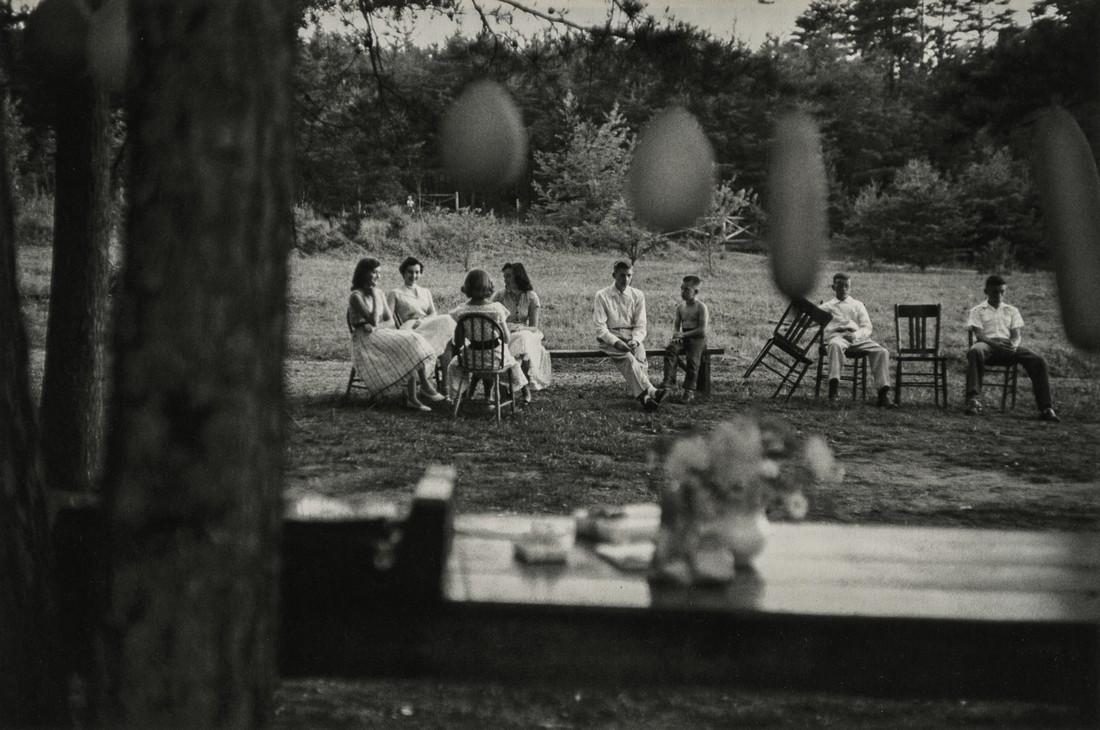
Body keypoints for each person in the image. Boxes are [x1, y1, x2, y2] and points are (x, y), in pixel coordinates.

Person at [347, 257, 446, 412]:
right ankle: (420, 390)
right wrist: (374, 296)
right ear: (364, 273)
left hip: (377, 333)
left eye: (379, 273)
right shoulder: (356, 296)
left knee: (412, 339)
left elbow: (389, 321)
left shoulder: (379, 292)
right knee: (410, 340)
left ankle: (417, 394)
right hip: (364, 340)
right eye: (374, 273)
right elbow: (373, 319)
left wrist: (376, 325)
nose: (378, 276)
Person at [966, 275, 1059, 422]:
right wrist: (995, 344)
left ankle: (1046, 408)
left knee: (1038, 360)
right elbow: (979, 335)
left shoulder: (1012, 310)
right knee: (975, 350)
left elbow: (1016, 335)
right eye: (995, 292)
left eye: (1002, 292)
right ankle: (973, 400)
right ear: (986, 291)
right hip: (987, 345)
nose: (999, 295)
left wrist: (1013, 346)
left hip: (1008, 346)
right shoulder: (977, 310)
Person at [447, 269, 531, 405]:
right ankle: (521, 391)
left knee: (454, 364)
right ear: (489, 286)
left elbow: (458, 341)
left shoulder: (461, 311)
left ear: (467, 287)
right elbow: (506, 338)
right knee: (510, 361)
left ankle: (459, 394)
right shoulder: (496, 309)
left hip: (471, 360)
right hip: (494, 359)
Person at [593, 261, 667, 411]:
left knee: (639, 359)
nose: (625, 279)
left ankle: (645, 399)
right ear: (614, 275)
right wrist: (616, 342)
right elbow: (600, 328)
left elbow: (641, 324)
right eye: (622, 275)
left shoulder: (637, 295)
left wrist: (636, 340)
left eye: (629, 275)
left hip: (631, 335)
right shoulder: (602, 295)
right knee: (627, 358)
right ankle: (652, 391)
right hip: (609, 337)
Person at [820, 272, 896, 408]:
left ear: (850, 287)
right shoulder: (828, 306)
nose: (844, 289)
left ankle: (883, 395)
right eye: (840, 286)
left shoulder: (857, 304)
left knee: (882, 351)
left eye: (847, 286)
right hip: (838, 337)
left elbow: (867, 327)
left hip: (858, 338)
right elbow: (810, 319)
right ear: (833, 287)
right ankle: (833, 391)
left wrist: (855, 335)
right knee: (835, 346)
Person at [492, 262, 552, 393]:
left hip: (526, 334)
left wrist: (520, 328)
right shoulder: (499, 295)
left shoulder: (531, 297)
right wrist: (510, 327)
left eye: (508, 276)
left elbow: (534, 327)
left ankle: (520, 386)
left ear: (518, 277)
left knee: (524, 339)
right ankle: (523, 387)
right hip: (506, 334)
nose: (505, 280)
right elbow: (491, 317)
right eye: (504, 276)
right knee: (522, 347)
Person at [386, 256, 456, 358]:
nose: (414, 275)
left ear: (420, 273)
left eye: (417, 272)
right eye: (410, 272)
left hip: (426, 324)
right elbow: (388, 317)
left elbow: (433, 313)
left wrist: (422, 321)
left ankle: (445, 368)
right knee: (446, 320)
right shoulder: (395, 293)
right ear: (403, 273)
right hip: (410, 329)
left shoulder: (425, 291)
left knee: (446, 326)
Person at [661, 275, 709, 404]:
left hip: (698, 338)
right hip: (684, 337)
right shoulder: (680, 307)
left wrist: (683, 335)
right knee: (671, 349)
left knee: (692, 359)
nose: (683, 292)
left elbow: (702, 330)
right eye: (681, 289)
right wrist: (676, 336)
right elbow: (676, 328)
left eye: (687, 289)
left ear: (696, 291)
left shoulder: (701, 307)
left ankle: (689, 390)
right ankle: (668, 384)